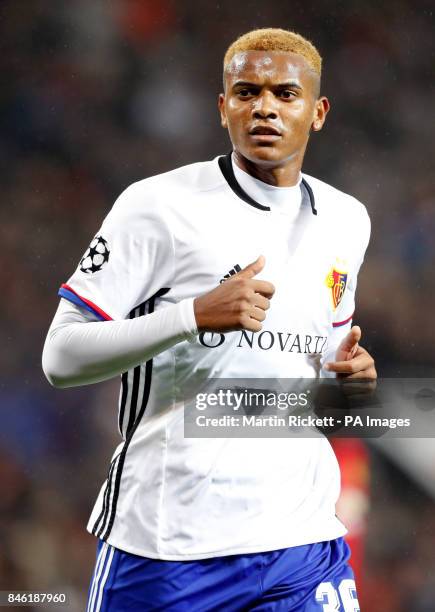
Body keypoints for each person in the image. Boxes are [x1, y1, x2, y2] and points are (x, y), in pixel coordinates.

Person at [42, 27, 376, 611]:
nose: (264, 107)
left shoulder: (348, 220)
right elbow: (60, 358)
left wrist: (350, 383)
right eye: (246, 92)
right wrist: (190, 317)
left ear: (317, 112)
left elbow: (315, 378)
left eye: (285, 94)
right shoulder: (157, 206)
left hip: (302, 542)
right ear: (224, 108)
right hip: (170, 549)